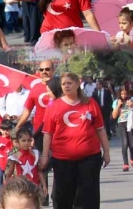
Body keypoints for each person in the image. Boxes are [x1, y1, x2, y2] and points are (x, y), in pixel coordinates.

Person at [40, 72, 110, 209]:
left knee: (88, 196)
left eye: (69, 83)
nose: (66, 86)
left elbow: (100, 129)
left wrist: (106, 151)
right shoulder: (54, 106)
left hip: (89, 158)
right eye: (63, 84)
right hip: (62, 159)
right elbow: (48, 133)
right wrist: (44, 155)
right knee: (63, 196)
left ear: (77, 84)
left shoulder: (90, 103)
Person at [5, 128, 47, 196]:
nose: (26, 143)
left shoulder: (35, 154)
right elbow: (10, 172)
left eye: (28, 140)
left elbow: (39, 171)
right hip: (21, 186)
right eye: (23, 141)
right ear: (18, 142)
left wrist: (44, 185)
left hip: (34, 186)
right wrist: (6, 185)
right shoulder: (15, 155)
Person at [111, 89, 133, 172]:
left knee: (132, 143)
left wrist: (131, 105)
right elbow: (114, 116)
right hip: (122, 123)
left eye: (125, 94)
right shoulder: (116, 101)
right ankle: (125, 163)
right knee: (125, 143)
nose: (124, 96)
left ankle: (132, 158)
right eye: (122, 94)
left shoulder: (131, 100)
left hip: (131, 123)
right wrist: (118, 106)